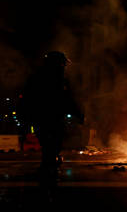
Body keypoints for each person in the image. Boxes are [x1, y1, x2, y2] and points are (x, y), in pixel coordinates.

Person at [19, 51, 83, 197]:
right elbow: (67, 99)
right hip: (49, 120)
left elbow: (26, 99)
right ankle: (48, 181)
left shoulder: (37, 77)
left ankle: (47, 174)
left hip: (43, 120)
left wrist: (26, 119)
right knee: (51, 146)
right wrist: (78, 114)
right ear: (57, 63)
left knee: (49, 148)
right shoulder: (56, 79)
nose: (64, 66)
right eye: (62, 64)